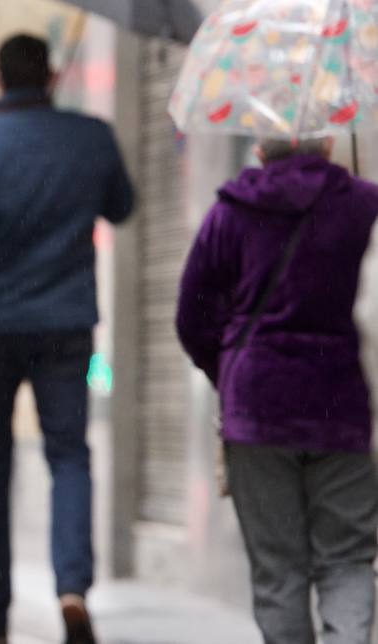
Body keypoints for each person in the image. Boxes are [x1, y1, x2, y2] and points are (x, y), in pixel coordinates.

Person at [0, 33, 134, 644]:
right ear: (51, 76)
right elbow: (122, 206)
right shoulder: (90, 138)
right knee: (69, 455)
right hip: (66, 325)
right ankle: (72, 589)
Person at [179, 137, 378, 644]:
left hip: (258, 408)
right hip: (345, 406)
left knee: (279, 571)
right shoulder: (363, 205)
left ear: (261, 148)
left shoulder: (230, 213)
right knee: (349, 558)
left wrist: (228, 375)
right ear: (330, 142)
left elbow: (192, 318)